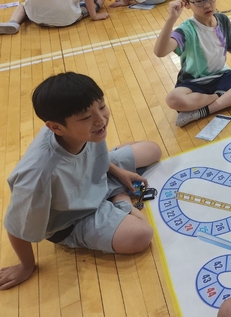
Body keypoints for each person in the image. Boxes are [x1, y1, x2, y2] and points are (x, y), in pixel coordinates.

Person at [0, 72, 161, 289]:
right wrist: (26, 266)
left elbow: (96, 154)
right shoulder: (37, 176)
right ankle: (118, 196)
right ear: (56, 127)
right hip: (73, 219)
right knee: (141, 235)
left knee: (153, 150)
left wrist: (116, 171)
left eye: (102, 106)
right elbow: (16, 226)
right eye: (86, 117)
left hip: (95, 176)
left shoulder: (85, 130)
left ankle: (113, 189)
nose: (101, 119)